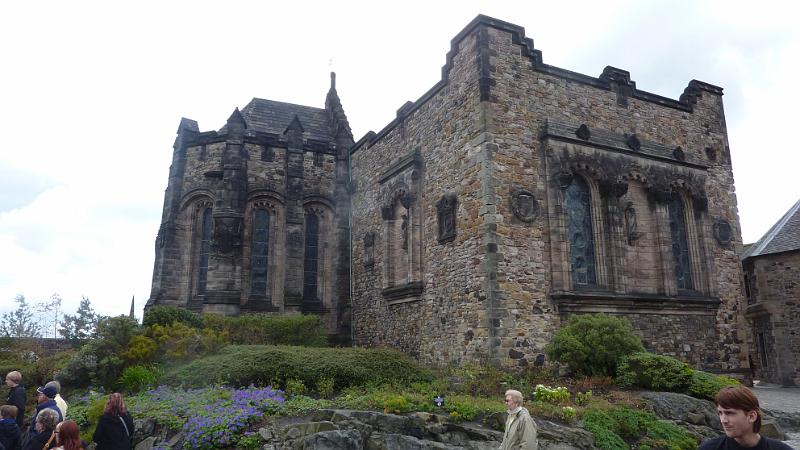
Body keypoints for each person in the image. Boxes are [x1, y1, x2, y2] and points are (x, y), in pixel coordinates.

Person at [699, 385, 795, 450]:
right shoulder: (709, 448)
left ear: (751, 416)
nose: (723, 420)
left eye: (729, 413)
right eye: (720, 413)